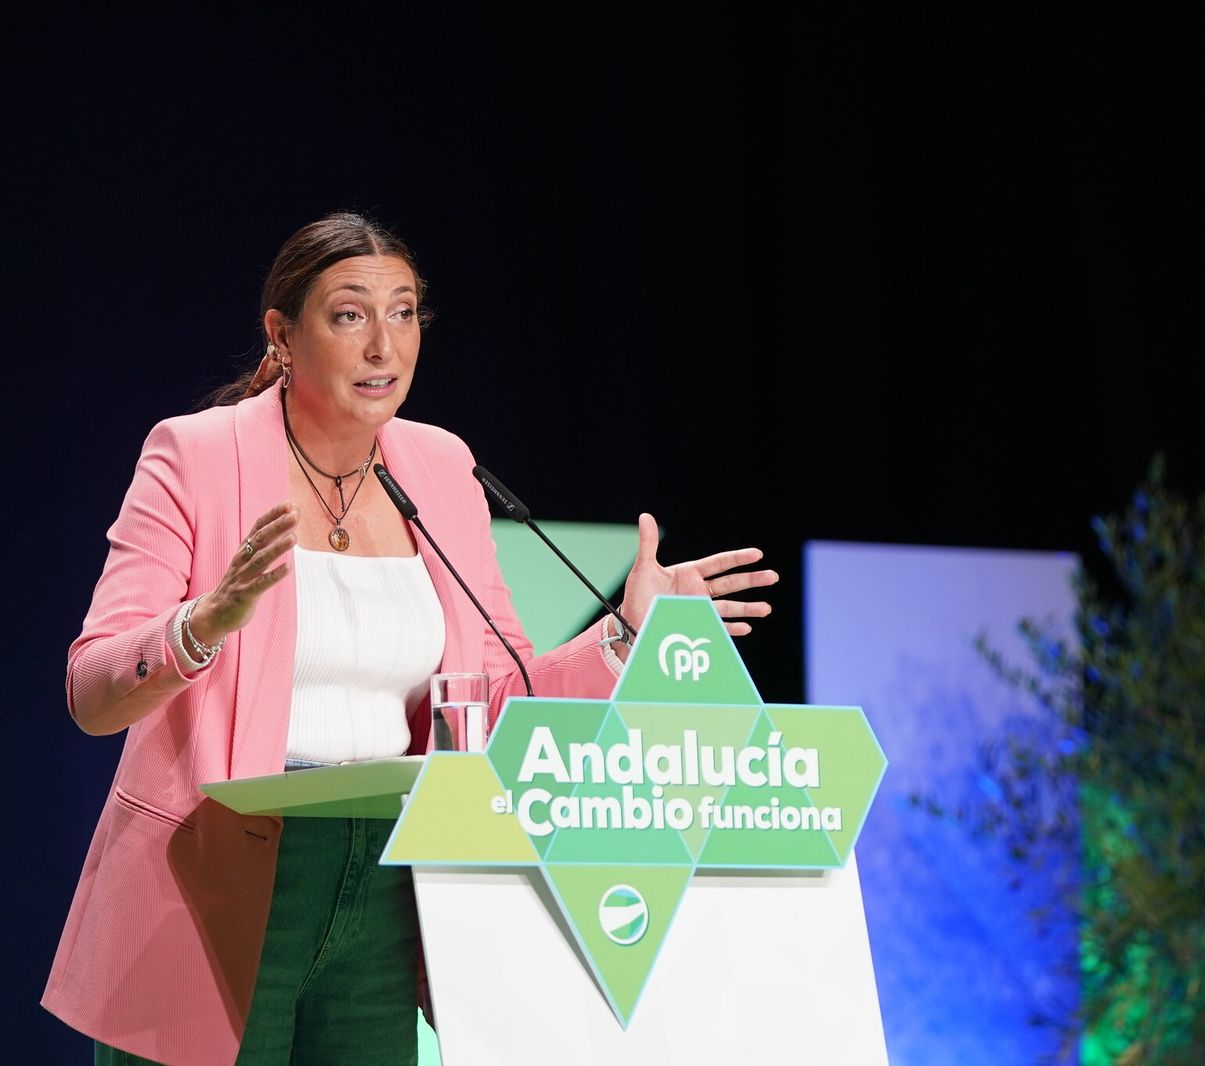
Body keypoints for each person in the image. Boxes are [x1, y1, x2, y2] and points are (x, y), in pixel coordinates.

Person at [43, 212, 778, 1065]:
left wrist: (625, 637)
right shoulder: (195, 454)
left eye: (403, 313)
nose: (383, 346)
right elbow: (92, 691)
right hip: (217, 874)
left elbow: (493, 698)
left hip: (393, 876)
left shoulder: (440, 466)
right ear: (282, 334)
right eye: (350, 315)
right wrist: (198, 627)